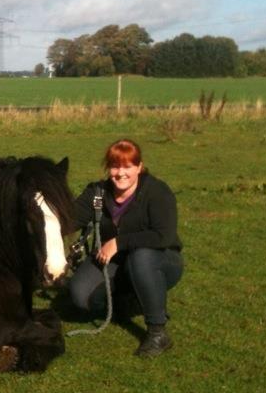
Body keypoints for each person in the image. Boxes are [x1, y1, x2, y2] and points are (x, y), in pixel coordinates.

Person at [68, 138, 183, 357]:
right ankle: (128, 303)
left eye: (128, 166)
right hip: (117, 262)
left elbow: (164, 236)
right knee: (80, 295)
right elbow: (69, 219)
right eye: (115, 166)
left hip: (161, 260)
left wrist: (119, 242)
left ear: (139, 167)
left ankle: (158, 332)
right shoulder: (97, 194)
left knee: (141, 258)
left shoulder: (157, 192)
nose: (121, 173)